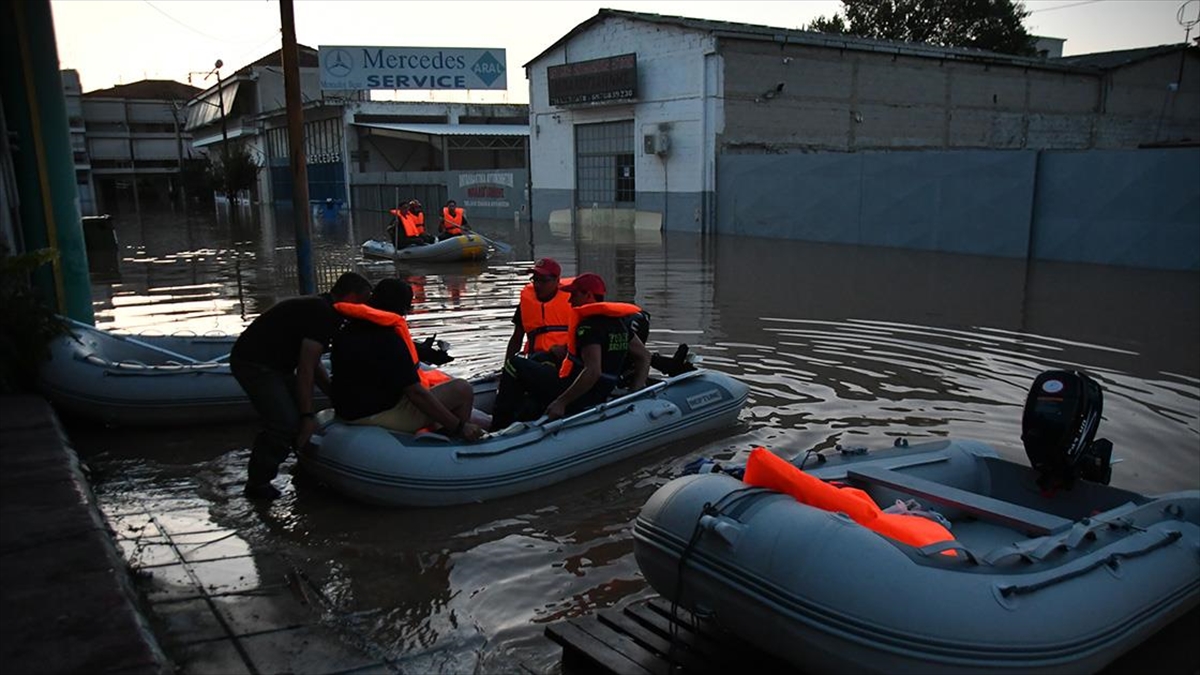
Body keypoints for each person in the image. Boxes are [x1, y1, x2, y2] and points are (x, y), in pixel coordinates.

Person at [231, 271, 373, 500]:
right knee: (284, 422)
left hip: (276, 363)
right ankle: (258, 484)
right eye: (363, 301)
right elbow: (306, 368)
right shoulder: (325, 314)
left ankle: (301, 466)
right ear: (350, 296)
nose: (364, 309)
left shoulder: (324, 309)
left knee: (293, 416)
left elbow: (313, 362)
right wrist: (307, 416)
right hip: (255, 363)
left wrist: (333, 394)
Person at [331, 278, 484, 441]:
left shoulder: (347, 329)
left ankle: (439, 432)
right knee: (462, 389)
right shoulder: (389, 339)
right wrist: (460, 426)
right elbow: (415, 393)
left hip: (347, 411)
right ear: (402, 308)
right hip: (377, 415)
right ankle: (455, 442)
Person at [493, 272, 651, 428]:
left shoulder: (589, 327)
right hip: (602, 389)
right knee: (542, 359)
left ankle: (497, 427)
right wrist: (634, 392)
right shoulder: (619, 324)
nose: (569, 300)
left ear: (588, 295)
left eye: (574, 295)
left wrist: (561, 402)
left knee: (514, 364)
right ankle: (529, 409)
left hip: (581, 393)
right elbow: (644, 356)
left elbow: (593, 371)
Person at [489, 258, 573, 429]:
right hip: (536, 362)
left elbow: (586, 338)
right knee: (516, 370)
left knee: (519, 369)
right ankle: (503, 423)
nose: (538, 285)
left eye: (544, 280)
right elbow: (516, 338)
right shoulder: (526, 303)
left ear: (557, 281)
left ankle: (497, 426)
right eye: (535, 279)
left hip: (562, 365)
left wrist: (566, 350)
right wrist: (507, 369)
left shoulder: (573, 301)